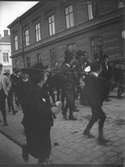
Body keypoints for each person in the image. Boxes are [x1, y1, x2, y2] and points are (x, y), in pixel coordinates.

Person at [21, 63, 54, 164]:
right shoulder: (34, 91)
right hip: (39, 125)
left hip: (38, 124)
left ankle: (37, 155)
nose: (46, 76)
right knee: (43, 148)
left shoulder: (37, 88)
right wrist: (52, 110)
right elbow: (38, 110)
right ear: (40, 77)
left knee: (39, 147)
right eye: (45, 74)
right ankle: (43, 160)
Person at [81, 61, 109, 145]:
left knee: (95, 116)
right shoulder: (94, 78)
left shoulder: (90, 77)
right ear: (99, 69)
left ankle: (86, 131)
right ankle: (100, 138)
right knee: (103, 117)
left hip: (93, 102)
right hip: (95, 102)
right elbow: (94, 92)